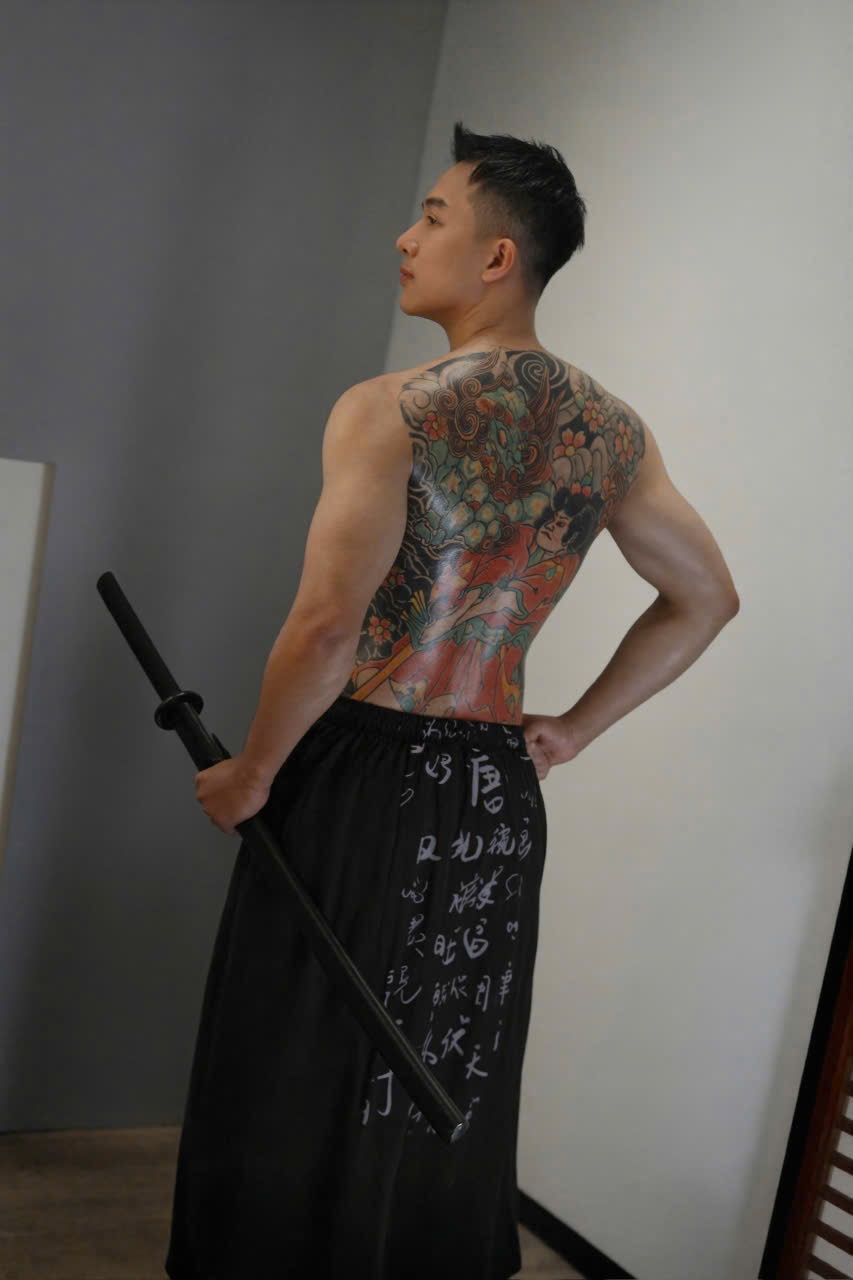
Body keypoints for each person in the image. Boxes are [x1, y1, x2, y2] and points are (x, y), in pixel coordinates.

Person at [167, 121, 739, 1280]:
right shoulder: (609, 433)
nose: (404, 235)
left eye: (431, 215)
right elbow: (707, 598)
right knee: (437, 1061)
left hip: (362, 769)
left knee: (298, 1045)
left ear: (496, 256)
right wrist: (569, 729)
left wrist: (254, 770)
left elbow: (327, 626)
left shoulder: (391, 407)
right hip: (491, 787)